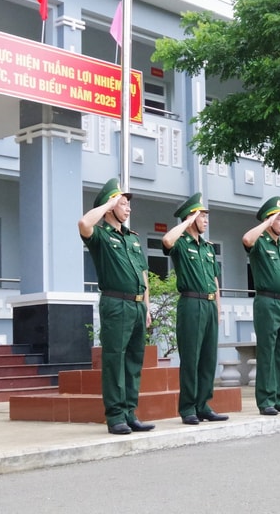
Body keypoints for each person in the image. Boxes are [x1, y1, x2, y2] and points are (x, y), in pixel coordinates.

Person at [78, 178, 155, 435]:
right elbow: (83, 223)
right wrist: (109, 203)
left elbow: (143, 274)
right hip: (115, 303)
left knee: (134, 362)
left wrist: (147, 307)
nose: (128, 208)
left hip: (136, 306)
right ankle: (115, 416)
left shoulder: (132, 239)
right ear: (110, 206)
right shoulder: (99, 235)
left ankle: (130, 413)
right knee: (114, 361)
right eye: (123, 204)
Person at [162, 193, 228, 425]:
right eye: (202, 216)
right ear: (191, 218)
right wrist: (186, 223)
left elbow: (215, 279)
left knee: (208, 358)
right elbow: (167, 242)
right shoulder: (180, 244)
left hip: (209, 304)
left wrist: (218, 309)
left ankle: (203, 405)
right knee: (191, 358)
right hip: (191, 304)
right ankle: (188, 408)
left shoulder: (208, 248)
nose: (206, 221)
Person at [242, 196, 280, 416]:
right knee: (267, 352)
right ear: (269, 220)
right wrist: (266, 224)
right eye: (279, 218)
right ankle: (265, 400)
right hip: (267, 302)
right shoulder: (259, 243)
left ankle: (278, 398)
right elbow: (246, 239)